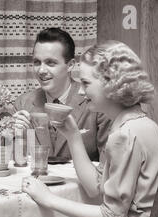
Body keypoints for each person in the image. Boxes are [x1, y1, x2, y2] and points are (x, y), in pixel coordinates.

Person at [0, 40, 158, 217]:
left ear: (112, 84)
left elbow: (112, 216)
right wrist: (74, 137)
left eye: (87, 84)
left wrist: (48, 199)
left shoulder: (124, 136)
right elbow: (95, 187)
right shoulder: (142, 124)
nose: (83, 92)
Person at [11, 27, 111, 161]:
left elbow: (109, 166)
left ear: (70, 65)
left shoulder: (96, 103)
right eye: (36, 62)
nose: (41, 70)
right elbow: (16, 164)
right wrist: (15, 135)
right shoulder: (22, 104)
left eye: (50, 63)